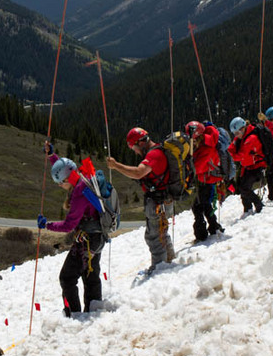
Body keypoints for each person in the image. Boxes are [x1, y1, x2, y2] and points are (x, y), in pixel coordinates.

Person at [37, 146, 103, 316]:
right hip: (98, 237)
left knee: (67, 278)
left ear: (66, 180)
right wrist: (52, 156)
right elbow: (64, 168)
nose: (60, 186)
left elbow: (68, 225)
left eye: (60, 182)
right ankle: (93, 310)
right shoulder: (85, 177)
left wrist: (47, 225)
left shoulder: (79, 192)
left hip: (86, 240)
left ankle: (73, 314)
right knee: (90, 276)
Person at [107, 127, 174, 273]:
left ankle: (159, 268)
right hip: (165, 199)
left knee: (154, 237)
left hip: (158, 201)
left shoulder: (154, 155)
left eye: (134, 148)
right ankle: (169, 259)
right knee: (162, 232)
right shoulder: (159, 150)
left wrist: (115, 165)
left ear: (140, 143)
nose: (135, 152)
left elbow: (138, 173)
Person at [186, 121, 225, 241]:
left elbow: (197, 168)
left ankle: (202, 234)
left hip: (208, 180)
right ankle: (214, 227)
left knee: (198, 207)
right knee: (205, 205)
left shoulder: (207, 149)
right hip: (207, 179)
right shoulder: (206, 143)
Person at [229, 117, 267, 214]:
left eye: (237, 133)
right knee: (242, 187)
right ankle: (247, 209)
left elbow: (241, 156)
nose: (236, 136)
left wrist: (233, 155)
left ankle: (258, 204)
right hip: (249, 167)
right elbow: (231, 149)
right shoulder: (242, 137)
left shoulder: (251, 139)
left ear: (242, 129)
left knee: (244, 188)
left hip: (256, 167)